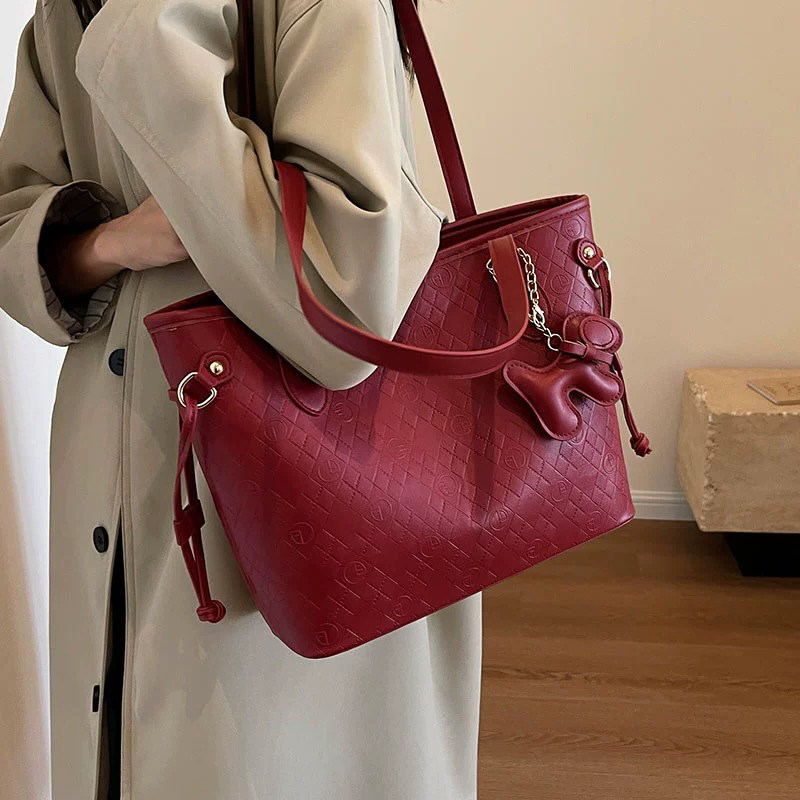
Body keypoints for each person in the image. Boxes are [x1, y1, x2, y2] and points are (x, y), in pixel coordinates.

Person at [0, 1, 482, 798]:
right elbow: (11, 227)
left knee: (269, 759)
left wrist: (156, 30)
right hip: (116, 461)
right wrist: (110, 242)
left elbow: (344, 317)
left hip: (292, 482)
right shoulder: (62, 13)